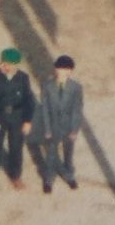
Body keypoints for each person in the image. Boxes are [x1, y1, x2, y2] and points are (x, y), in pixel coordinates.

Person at [0, 48, 36, 192]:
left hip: (17, 116)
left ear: (16, 65)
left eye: (7, 64)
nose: (3, 66)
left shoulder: (23, 78)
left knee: (16, 148)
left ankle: (15, 175)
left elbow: (29, 100)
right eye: (2, 63)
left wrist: (28, 120)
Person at [31, 53, 84, 193]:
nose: (62, 72)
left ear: (70, 71)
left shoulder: (76, 87)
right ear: (55, 70)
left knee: (68, 153)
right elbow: (45, 109)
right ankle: (49, 179)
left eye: (65, 70)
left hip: (68, 126)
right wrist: (47, 129)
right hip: (53, 125)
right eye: (59, 69)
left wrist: (74, 129)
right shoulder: (47, 86)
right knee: (51, 154)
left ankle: (69, 176)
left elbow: (77, 110)